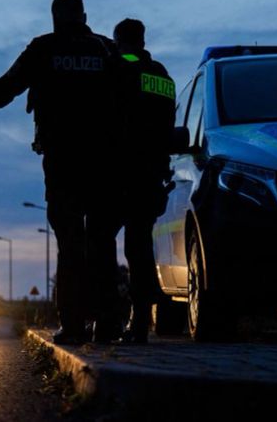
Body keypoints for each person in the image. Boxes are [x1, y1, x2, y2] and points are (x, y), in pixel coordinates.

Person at [0, 0, 123, 345]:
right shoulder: (106, 50)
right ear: (84, 15)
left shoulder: (43, 49)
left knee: (69, 244)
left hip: (63, 161)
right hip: (105, 162)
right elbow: (128, 103)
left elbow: (3, 89)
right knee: (101, 242)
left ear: (54, 17)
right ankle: (109, 324)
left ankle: (73, 325)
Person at [112, 18, 175, 344]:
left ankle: (107, 319)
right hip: (149, 173)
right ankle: (139, 321)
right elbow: (167, 123)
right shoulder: (161, 76)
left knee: (101, 242)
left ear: (119, 39)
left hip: (115, 172)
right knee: (139, 247)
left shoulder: (114, 70)